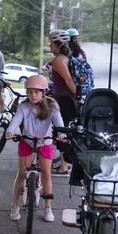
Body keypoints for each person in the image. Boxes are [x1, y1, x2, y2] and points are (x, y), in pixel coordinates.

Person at [5, 75, 65, 223]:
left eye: (36, 92)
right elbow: (16, 120)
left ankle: (48, 207)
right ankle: (14, 205)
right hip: (27, 141)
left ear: (43, 92)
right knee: (22, 173)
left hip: (45, 143)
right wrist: (10, 130)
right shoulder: (23, 106)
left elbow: (59, 123)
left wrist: (62, 134)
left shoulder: (52, 106)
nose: (33, 95)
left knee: (46, 174)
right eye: (30, 92)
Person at [47, 29, 77, 176]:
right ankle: (64, 163)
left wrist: (78, 96)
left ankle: (64, 167)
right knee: (63, 130)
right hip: (64, 99)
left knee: (62, 131)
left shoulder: (59, 60)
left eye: (51, 43)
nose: (49, 46)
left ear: (57, 44)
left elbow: (68, 80)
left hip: (65, 100)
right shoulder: (63, 57)